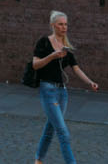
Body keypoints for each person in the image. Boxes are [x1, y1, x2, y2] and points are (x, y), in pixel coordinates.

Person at [28, 9, 99, 164]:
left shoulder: (66, 47)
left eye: (66, 24)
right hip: (48, 90)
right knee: (63, 132)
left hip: (62, 93)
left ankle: (38, 160)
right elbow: (35, 64)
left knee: (50, 129)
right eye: (60, 24)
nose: (64, 27)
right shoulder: (44, 42)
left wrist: (89, 82)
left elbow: (76, 68)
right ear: (53, 25)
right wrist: (52, 56)